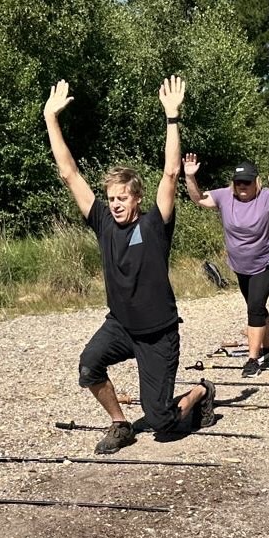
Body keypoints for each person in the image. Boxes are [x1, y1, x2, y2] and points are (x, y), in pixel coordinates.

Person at [44, 76, 214, 454]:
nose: (116, 203)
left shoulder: (155, 224)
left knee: (162, 423)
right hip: (121, 325)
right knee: (89, 366)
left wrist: (173, 117)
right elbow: (69, 174)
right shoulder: (103, 222)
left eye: (123, 197)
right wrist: (51, 119)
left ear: (137, 198)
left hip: (158, 333)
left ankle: (201, 391)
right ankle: (120, 423)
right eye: (111, 198)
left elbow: (170, 173)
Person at [184, 154, 269, 379]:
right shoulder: (225, 196)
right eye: (238, 182)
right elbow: (199, 199)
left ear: (256, 182)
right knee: (256, 305)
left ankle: (253, 360)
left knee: (254, 306)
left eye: (247, 182)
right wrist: (189, 177)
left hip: (268, 260)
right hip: (241, 264)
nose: (242, 186)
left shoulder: (267, 197)